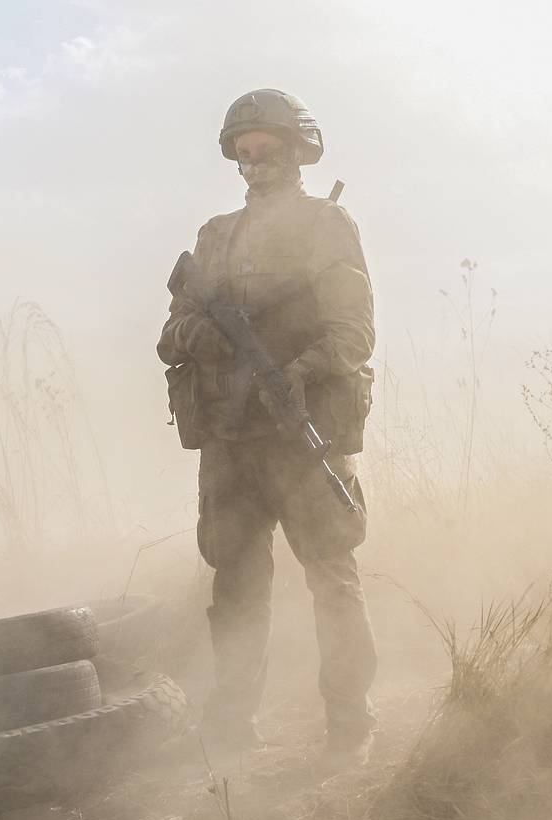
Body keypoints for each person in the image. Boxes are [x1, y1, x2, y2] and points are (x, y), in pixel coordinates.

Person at [157, 88, 378, 767]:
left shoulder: (325, 225)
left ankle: (349, 721)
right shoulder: (213, 238)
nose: (256, 165)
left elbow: (353, 332)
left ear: (296, 150)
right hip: (231, 441)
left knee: (331, 578)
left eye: (268, 151)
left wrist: (302, 370)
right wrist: (209, 336)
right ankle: (232, 724)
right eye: (244, 154)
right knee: (235, 584)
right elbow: (170, 336)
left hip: (303, 433)